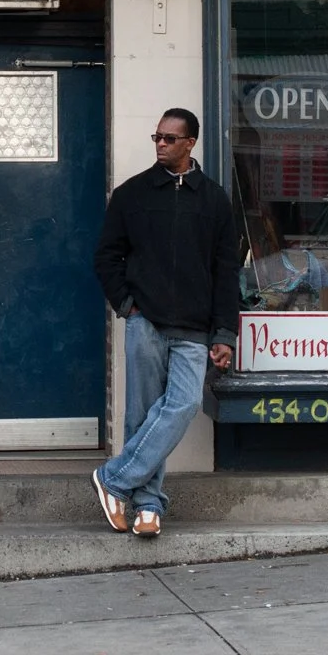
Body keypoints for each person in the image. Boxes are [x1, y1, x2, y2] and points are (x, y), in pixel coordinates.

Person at [91, 108, 240, 539]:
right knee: (141, 415)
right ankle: (148, 507)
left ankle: (115, 479)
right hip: (146, 323)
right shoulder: (132, 195)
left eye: (169, 138)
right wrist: (128, 305)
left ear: (190, 143)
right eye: (156, 136)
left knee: (184, 404)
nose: (160, 144)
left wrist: (224, 332)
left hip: (195, 328)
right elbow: (106, 257)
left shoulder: (213, 200)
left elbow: (226, 270)